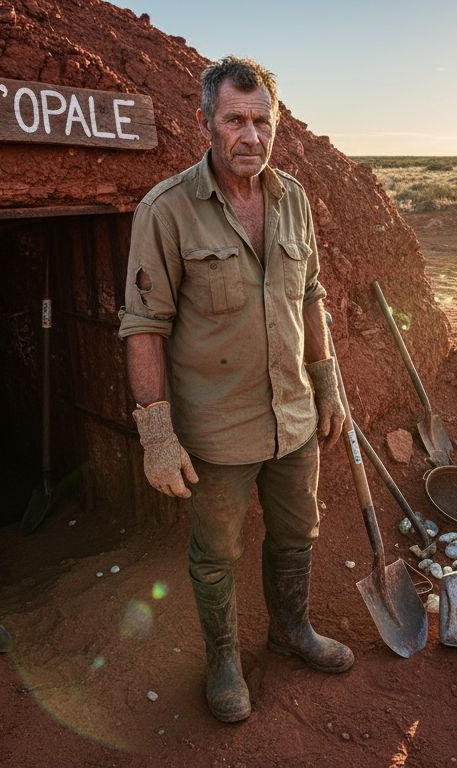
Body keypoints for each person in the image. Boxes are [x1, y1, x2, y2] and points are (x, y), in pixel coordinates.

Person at [117, 56, 352, 723]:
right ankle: (223, 661)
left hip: (293, 416)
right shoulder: (166, 211)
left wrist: (327, 383)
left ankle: (292, 630)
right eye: (235, 121)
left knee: (297, 531)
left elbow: (311, 295)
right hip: (218, 429)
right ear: (205, 123)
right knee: (217, 552)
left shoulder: (293, 199)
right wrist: (156, 434)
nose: (251, 136)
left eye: (262, 121)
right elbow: (143, 326)